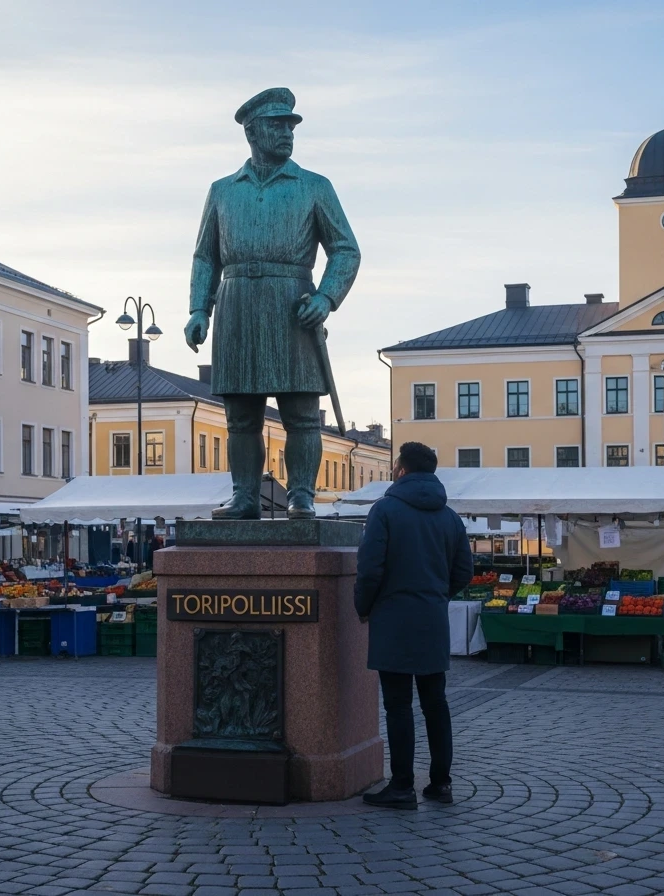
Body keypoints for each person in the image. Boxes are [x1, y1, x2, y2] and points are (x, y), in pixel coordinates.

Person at [184, 87, 361, 520]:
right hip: (237, 307)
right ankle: (245, 496)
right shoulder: (223, 191)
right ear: (252, 131)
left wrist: (326, 297)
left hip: (292, 307)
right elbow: (206, 254)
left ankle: (301, 494)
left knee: (301, 413)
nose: (287, 133)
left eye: (290, 125)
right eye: (277, 125)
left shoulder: (314, 186)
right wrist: (197, 309)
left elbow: (346, 250)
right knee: (240, 417)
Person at [355, 442, 473, 809]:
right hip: (432, 620)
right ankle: (441, 784)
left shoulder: (385, 510)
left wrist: (364, 607)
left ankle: (402, 786)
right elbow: (464, 572)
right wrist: (437, 595)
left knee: (398, 706)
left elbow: (370, 569)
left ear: (401, 470)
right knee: (435, 705)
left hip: (393, 619)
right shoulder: (450, 516)